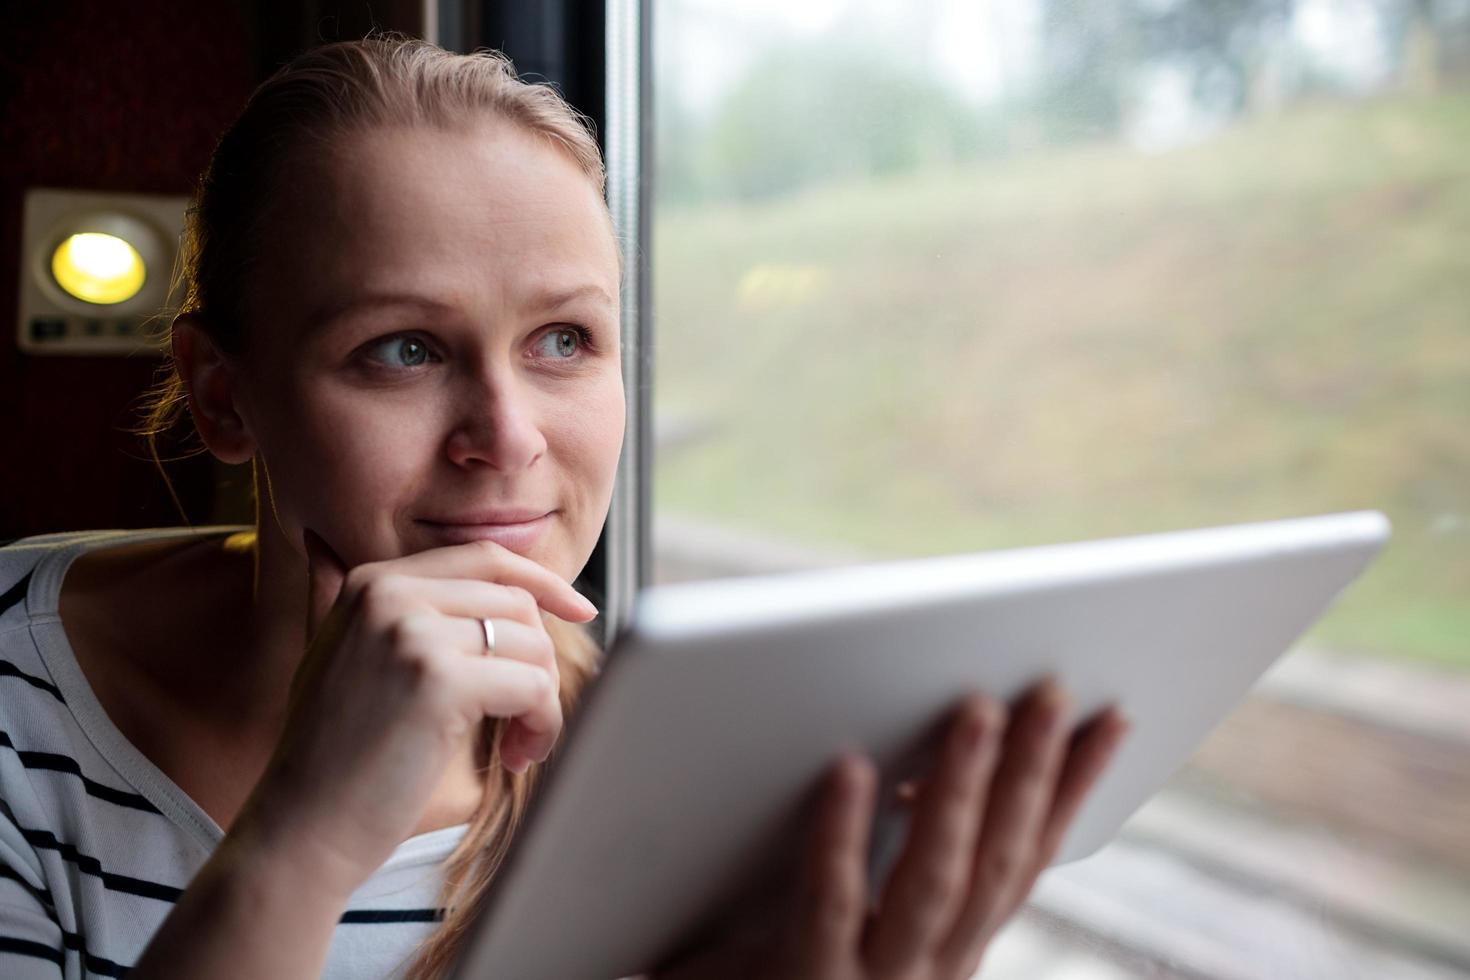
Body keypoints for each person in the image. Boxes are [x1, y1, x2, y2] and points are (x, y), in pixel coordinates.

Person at [0, 35, 1128, 980]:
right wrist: (308, 836)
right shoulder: (18, 707)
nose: (511, 434)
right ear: (221, 397)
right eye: (403, 349)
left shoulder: (682, 783)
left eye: (563, 340)